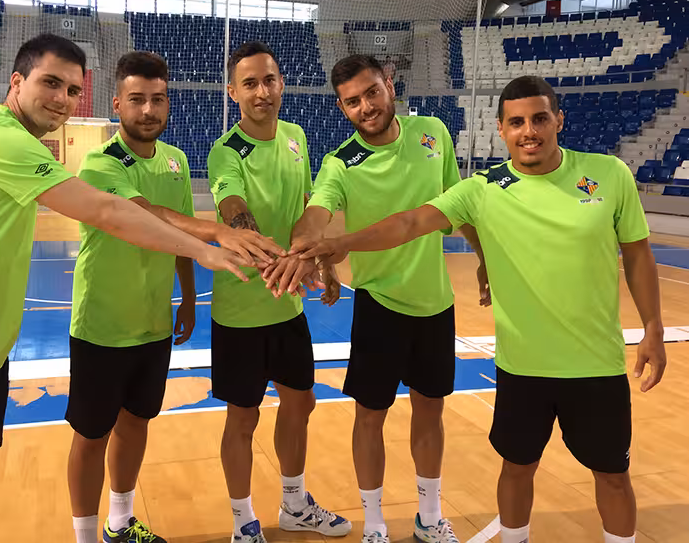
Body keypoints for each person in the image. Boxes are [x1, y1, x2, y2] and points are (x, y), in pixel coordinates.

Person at [0, 34, 257, 543]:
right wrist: (205, 247)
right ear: (17, 81)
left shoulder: (13, 141)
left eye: (73, 90)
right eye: (50, 83)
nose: (62, 99)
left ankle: (118, 522)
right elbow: (107, 210)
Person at [299, 75, 667, 543]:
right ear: (501, 129)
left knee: (613, 476)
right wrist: (342, 244)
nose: (529, 131)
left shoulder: (610, 174)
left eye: (539, 119)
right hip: (521, 368)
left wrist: (653, 327)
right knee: (516, 468)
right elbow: (410, 222)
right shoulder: (483, 188)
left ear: (559, 120)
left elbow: (637, 253)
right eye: (517, 122)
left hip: (597, 366)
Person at [267, 54, 485, 543]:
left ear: (389, 84)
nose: (365, 107)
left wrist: (483, 255)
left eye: (371, 93)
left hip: (435, 302)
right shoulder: (340, 162)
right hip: (379, 308)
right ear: (341, 108)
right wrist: (303, 246)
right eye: (352, 102)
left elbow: (457, 202)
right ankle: (375, 524)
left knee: (430, 412)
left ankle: (430, 517)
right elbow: (316, 213)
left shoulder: (433, 133)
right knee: (370, 418)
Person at [66, 51, 282, 543]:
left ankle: (119, 523)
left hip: (153, 323)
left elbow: (180, 234)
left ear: (168, 103)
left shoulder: (176, 160)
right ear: (117, 104)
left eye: (158, 99)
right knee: (91, 434)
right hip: (102, 325)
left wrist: (187, 295)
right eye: (136, 100)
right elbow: (146, 213)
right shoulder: (100, 163)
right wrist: (218, 232)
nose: (148, 111)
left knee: (136, 423)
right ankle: (84, 537)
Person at [207, 41, 351, 543]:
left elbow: (306, 203)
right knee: (242, 417)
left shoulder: (295, 136)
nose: (261, 92)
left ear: (281, 83)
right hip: (242, 311)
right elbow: (233, 207)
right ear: (233, 92)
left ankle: (294, 504)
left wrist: (321, 261)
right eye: (249, 84)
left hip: (288, 307)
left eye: (269, 80)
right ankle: (243, 522)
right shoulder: (226, 151)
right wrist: (266, 254)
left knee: (301, 402)